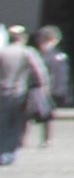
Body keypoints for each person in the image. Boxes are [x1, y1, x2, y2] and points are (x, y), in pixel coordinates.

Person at [0, 25, 48, 163]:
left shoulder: (3, 52)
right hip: (19, 92)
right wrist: (43, 88)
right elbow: (39, 71)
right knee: (16, 123)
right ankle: (8, 153)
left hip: (2, 91)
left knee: (2, 122)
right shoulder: (27, 52)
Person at [35, 26, 70, 147]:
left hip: (48, 89)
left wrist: (57, 90)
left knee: (47, 114)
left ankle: (47, 139)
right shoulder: (46, 54)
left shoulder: (55, 55)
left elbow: (60, 75)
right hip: (43, 88)